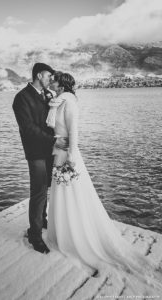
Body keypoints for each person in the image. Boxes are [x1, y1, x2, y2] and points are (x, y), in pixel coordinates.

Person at [45, 72, 162, 290]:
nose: (51, 82)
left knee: (72, 194)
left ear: (62, 84)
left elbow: (74, 131)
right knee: (61, 194)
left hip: (68, 155)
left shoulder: (69, 102)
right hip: (58, 151)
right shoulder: (57, 102)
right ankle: (63, 231)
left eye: (54, 80)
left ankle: (75, 235)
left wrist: (70, 156)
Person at [12, 63, 69, 254]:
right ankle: (35, 236)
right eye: (48, 76)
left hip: (49, 150)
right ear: (38, 75)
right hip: (36, 151)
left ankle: (43, 220)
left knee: (45, 188)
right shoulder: (21, 98)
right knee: (38, 192)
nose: (50, 80)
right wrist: (54, 139)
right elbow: (28, 128)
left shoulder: (47, 95)